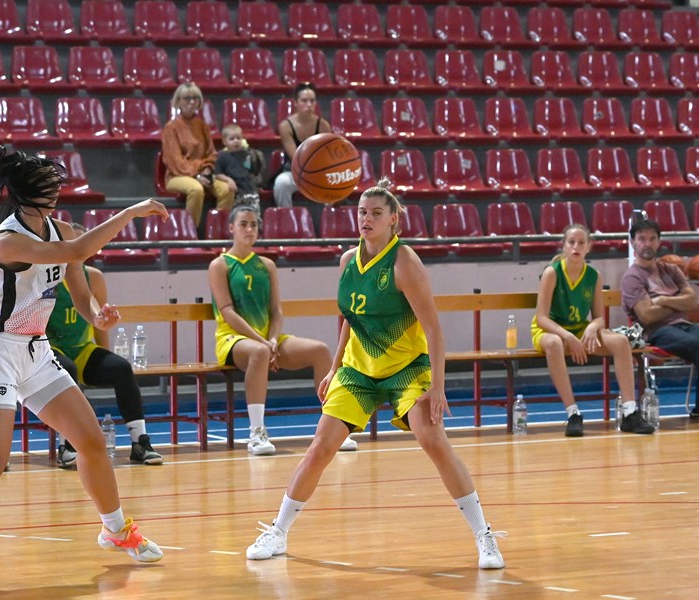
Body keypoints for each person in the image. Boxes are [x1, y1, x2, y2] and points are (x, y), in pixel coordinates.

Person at [0, 148, 168, 587]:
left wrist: (96, 315)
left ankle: (116, 530)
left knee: (91, 441)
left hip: (36, 350)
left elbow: (79, 289)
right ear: (27, 192)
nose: (57, 188)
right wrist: (131, 212)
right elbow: (78, 248)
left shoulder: (60, 229)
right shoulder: (7, 240)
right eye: (48, 183)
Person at [245, 180, 506, 569]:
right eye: (362, 212)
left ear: (393, 220)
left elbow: (433, 329)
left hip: (406, 369)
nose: (366, 219)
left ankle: (485, 536)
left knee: (433, 440)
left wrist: (437, 387)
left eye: (376, 213)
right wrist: (334, 367)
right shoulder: (348, 260)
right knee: (320, 447)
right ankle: (278, 532)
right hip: (359, 370)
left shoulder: (405, 262)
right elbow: (351, 319)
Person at [208, 204, 357, 455]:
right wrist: (262, 342)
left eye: (254, 225)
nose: (249, 229)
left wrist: (273, 339)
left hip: (269, 340)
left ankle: (335, 429)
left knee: (320, 350)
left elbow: (276, 311)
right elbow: (227, 311)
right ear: (231, 228)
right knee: (259, 352)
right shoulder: (219, 265)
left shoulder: (266, 265)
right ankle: (257, 434)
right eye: (243, 224)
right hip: (233, 339)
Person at [47, 224, 163, 468]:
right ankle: (67, 444)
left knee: (121, 368)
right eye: (74, 243)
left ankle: (139, 442)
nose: (79, 248)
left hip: (82, 349)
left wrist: (106, 354)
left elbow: (99, 321)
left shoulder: (94, 277)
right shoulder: (48, 276)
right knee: (67, 370)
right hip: (51, 349)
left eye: (83, 243)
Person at [533, 224, 651, 436]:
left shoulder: (593, 275)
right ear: (563, 245)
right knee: (554, 343)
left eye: (581, 243)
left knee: (620, 341)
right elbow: (541, 318)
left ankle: (630, 412)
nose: (576, 247)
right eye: (571, 242)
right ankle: (573, 413)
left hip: (579, 329)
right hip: (551, 330)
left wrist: (592, 328)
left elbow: (599, 317)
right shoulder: (552, 272)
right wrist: (568, 336)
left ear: (589, 247)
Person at [622, 218, 699, 418]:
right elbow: (647, 316)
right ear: (633, 242)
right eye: (642, 239)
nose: (647, 243)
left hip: (684, 325)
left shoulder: (671, 269)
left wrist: (663, 300)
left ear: (658, 242)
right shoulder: (632, 277)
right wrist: (678, 302)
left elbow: (692, 301)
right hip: (654, 332)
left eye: (652, 239)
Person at [161, 82, 234, 229]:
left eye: (195, 98)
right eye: (187, 98)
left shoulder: (202, 125)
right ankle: (190, 232)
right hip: (176, 176)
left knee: (227, 189)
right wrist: (198, 174)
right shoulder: (170, 128)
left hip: (203, 174)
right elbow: (175, 161)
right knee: (196, 189)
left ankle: (218, 230)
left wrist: (207, 170)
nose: (192, 102)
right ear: (178, 101)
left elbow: (212, 154)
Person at [273, 83, 332, 209]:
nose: (309, 104)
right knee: (281, 183)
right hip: (295, 172)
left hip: (318, 172)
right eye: (304, 101)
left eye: (312, 100)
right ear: (296, 102)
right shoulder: (286, 126)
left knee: (335, 183)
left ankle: (328, 217)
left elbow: (326, 155)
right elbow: (296, 157)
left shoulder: (323, 125)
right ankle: (287, 217)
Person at [215, 124, 265, 212]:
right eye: (232, 139)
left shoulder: (247, 154)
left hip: (250, 190)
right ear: (224, 142)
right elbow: (218, 174)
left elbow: (250, 171)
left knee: (254, 214)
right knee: (238, 215)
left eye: (238, 138)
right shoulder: (222, 156)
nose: (236, 141)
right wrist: (228, 180)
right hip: (236, 191)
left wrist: (256, 184)